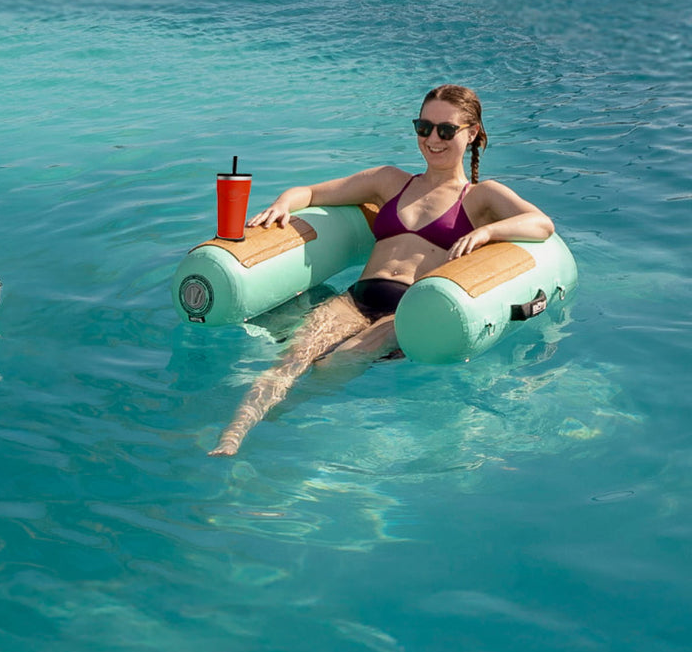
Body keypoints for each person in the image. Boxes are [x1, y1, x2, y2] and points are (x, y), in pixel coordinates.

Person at [208, 84, 554, 457]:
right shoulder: (389, 181)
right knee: (292, 359)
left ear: (471, 134)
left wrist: (488, 230)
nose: (432, 139)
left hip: (406, 313)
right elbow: (309, 193)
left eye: (446, 130)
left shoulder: (481, 197)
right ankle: (235, 434)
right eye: (424, 127)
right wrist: (281, 205)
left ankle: (274, 431)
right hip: (356, 299)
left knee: (334, 365)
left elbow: (541, 224)